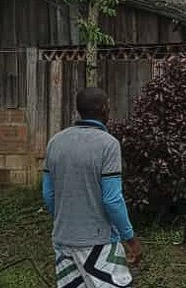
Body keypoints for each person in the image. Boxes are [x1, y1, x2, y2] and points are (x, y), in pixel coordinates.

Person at [42, 87, 141, 288]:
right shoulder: (108, 144)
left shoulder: (55, 142)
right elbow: (112, 199)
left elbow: (48, 194)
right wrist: (130, 238)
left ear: (79, 110)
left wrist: (67, 221)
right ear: (105, 109)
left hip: (63, 241)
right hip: (99, 242)